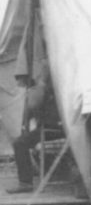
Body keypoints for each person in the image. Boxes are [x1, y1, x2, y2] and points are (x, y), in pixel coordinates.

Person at [7, 62, 61, 194]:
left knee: (19, 143)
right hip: (52, 127)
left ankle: (25, 183)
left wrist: (38, 86)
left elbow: (35, 105)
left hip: (54, 128)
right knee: (22, 140)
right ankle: (28, 177)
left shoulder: (47, 87)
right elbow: (30, 112)